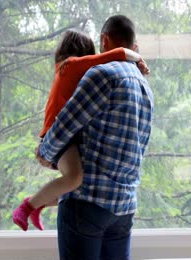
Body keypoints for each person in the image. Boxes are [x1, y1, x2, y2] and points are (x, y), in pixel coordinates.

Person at [36, 15, 154, 260]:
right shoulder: (146, 89)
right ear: (134, 46)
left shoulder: (101, 75)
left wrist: (45, 154)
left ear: (104, 39)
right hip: (124, 208)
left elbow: (65, 125)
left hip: (87, 203)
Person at [12, 29, 150, 232]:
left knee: (77, 183)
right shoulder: (70, 66)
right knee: (75, 178)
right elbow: (116, 54)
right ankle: (27, 207)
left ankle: (36, 203)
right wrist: (137, 58)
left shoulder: (68, 71)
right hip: (55, 133)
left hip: (68, 137)